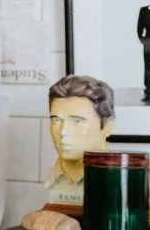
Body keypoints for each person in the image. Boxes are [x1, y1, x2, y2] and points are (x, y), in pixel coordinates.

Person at [45, 74, 116, 206]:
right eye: (56, 120)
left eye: (77, 121)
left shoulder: (119, 181)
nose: (63, 132)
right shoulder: (51, 180)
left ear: (107, 127)